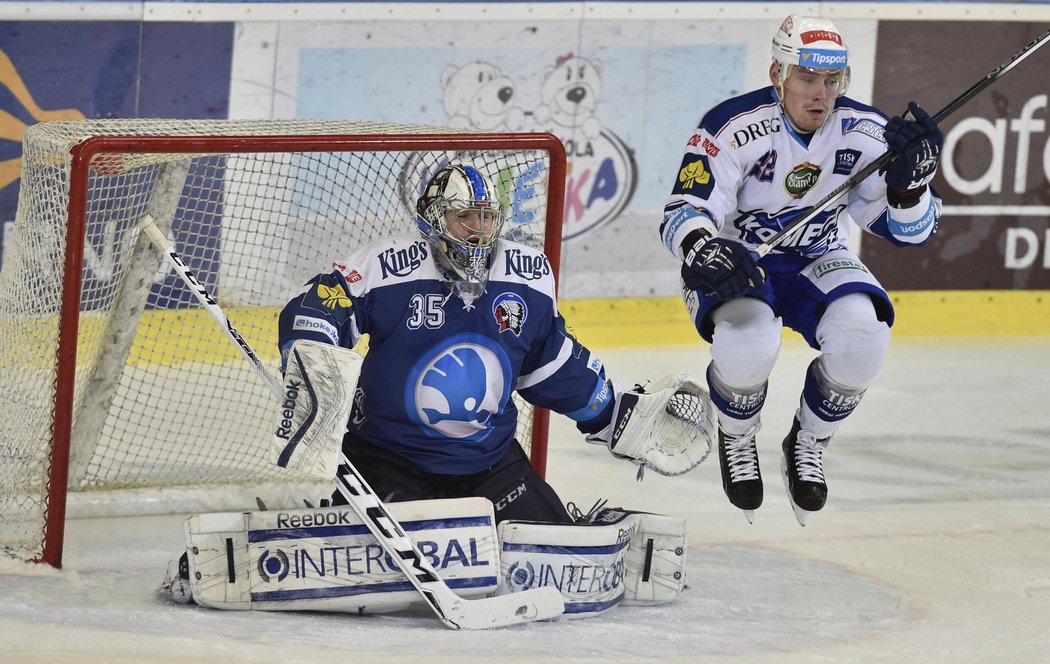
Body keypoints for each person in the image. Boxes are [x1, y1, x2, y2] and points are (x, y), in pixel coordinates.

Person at [279, 163, 707, 524]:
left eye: (486, 217)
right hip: (389, 458)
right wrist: (314, 362)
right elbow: (317, 308)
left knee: (557, 545)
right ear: (433, 218)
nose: (478, 230)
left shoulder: (525, 274)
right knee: (376, 554)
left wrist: (609, 414)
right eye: (464, 216)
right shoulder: (387, 266)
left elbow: (550, 359)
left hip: (487, 463)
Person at [659, 15, 943, 525]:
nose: (821, 94)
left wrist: (909, 190)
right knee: (749, 344)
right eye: (808, 79)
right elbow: (684, 210)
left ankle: (808, 439)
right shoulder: (731, 125)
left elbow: (909, 231)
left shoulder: (863, 130)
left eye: (832, 81)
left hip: (818, 256)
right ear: (778, 73)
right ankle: (738, 433)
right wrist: (704, 249)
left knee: (864, 338)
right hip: (744, 260)